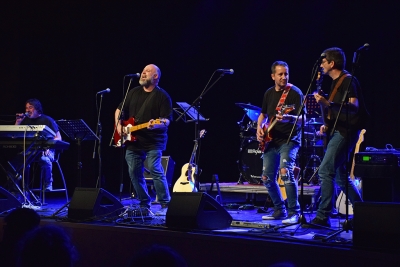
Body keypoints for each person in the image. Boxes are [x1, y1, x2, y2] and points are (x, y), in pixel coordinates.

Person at [311, 47, 364, 227]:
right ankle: (365, 213)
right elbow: (335, 110)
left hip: (345, 132)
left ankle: (323, 216)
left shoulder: (348, 80)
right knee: (341, 177)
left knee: (326, 170)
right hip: (337, 130)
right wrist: (327, 122)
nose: (321, 65)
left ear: (332, 63)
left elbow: (354, 106)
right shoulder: (335, 83)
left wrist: (328, 103)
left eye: (324, 62)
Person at [115, 64, 172, 215]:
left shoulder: (163, 96)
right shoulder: (133, 92)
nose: (143, 73)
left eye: (147, 71)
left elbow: (166, 121)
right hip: (133, 140)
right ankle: (144, 203)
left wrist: (157, 125)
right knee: (134, 171)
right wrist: (118, 126)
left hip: (154, 140)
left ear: (155, 77)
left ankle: (166, 204)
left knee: (154, 167)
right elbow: (119, 109)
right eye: (143, 71)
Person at [256, 61, 305, 224]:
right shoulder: (269, 93)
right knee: (266, 177)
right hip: (271, 141)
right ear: (273, 76)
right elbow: (263, 115)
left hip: (289, 140)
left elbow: (304, 118)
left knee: (285, 171)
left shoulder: (295, 93)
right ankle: (279, 209)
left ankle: (294, 212)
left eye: (286, 74)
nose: (284, 77)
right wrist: (259, 128)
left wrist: (291, 118)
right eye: (280, 74)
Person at [14, 98, 62, 191]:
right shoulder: (24, 120)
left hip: (46, 150)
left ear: (37, 109)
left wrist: (48, 146)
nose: (27, 110)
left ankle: (48, 183)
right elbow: (14, 136)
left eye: (30, 107)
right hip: (29, 151)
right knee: (18, 163)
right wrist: (18, 122)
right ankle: (19, 189)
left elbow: (58, 137)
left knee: (45, 160)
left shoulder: (47, 120)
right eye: (26, 108)